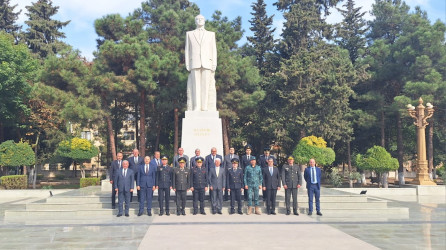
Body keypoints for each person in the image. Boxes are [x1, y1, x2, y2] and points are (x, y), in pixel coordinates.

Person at [185, 14, 217, 111]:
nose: (200, 20)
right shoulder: (189, 34)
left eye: (201, 19)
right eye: (198, 19)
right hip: (194, 62)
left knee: (206, 86)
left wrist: (214, 63)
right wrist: (187, 63)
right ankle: (196, 106)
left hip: (207, 63)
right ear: (195, 21)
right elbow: (187, 50)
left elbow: (213, 49)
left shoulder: (211, 34)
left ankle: (205, 106)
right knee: (195, 86)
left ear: (204, 21)